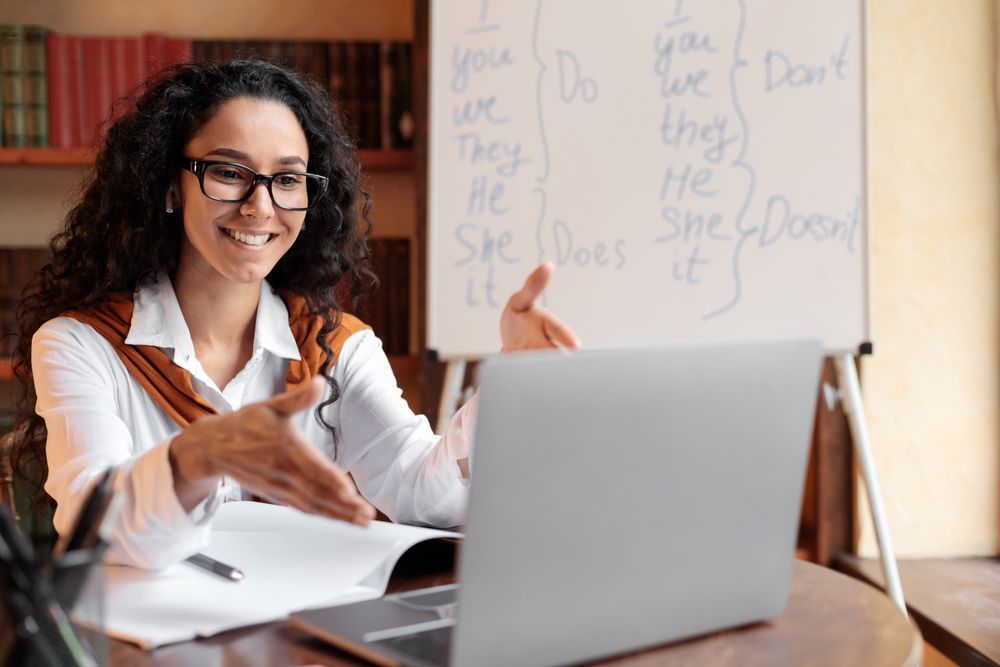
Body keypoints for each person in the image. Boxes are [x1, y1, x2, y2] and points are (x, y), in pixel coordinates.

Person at [9, 60, 579, 569]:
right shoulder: (80, 344)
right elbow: (98, 525)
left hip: (300, 636)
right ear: (170, 186)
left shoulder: (334, 347)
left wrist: (511, 384)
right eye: (229, 172)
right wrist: (199, 455)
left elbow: (421, 496)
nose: (261, 206)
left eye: (287, 180)